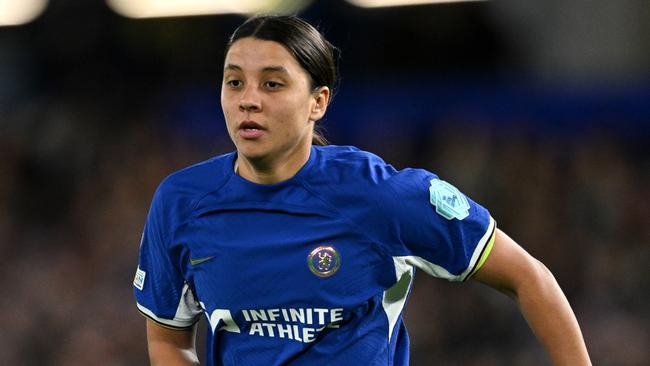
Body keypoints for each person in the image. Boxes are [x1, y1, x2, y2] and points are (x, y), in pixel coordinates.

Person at [133, 15, 591, 366]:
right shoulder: (180, 202)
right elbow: (168, 339)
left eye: (272, 84)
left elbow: (529, 277)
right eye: (234, 82)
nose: (248, 99)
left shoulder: (382, 197)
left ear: (318, 101)